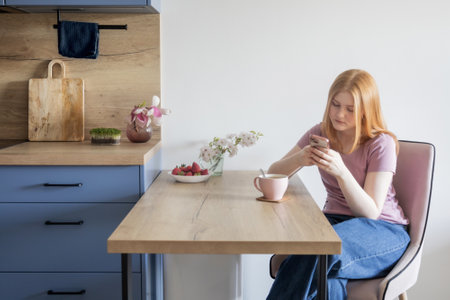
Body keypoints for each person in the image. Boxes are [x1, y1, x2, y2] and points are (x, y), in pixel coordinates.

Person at [266, 69, 410, 300]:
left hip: (384, 230)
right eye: (335, 104)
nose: (339, 114)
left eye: (350, 109)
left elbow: (370, 213)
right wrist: (300, 159)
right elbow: (272, 173)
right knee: (326, 275)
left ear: (366, 111)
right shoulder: (321, 132)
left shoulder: (381, 143)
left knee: (317, 251)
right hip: (334, 223)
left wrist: (342, 172)